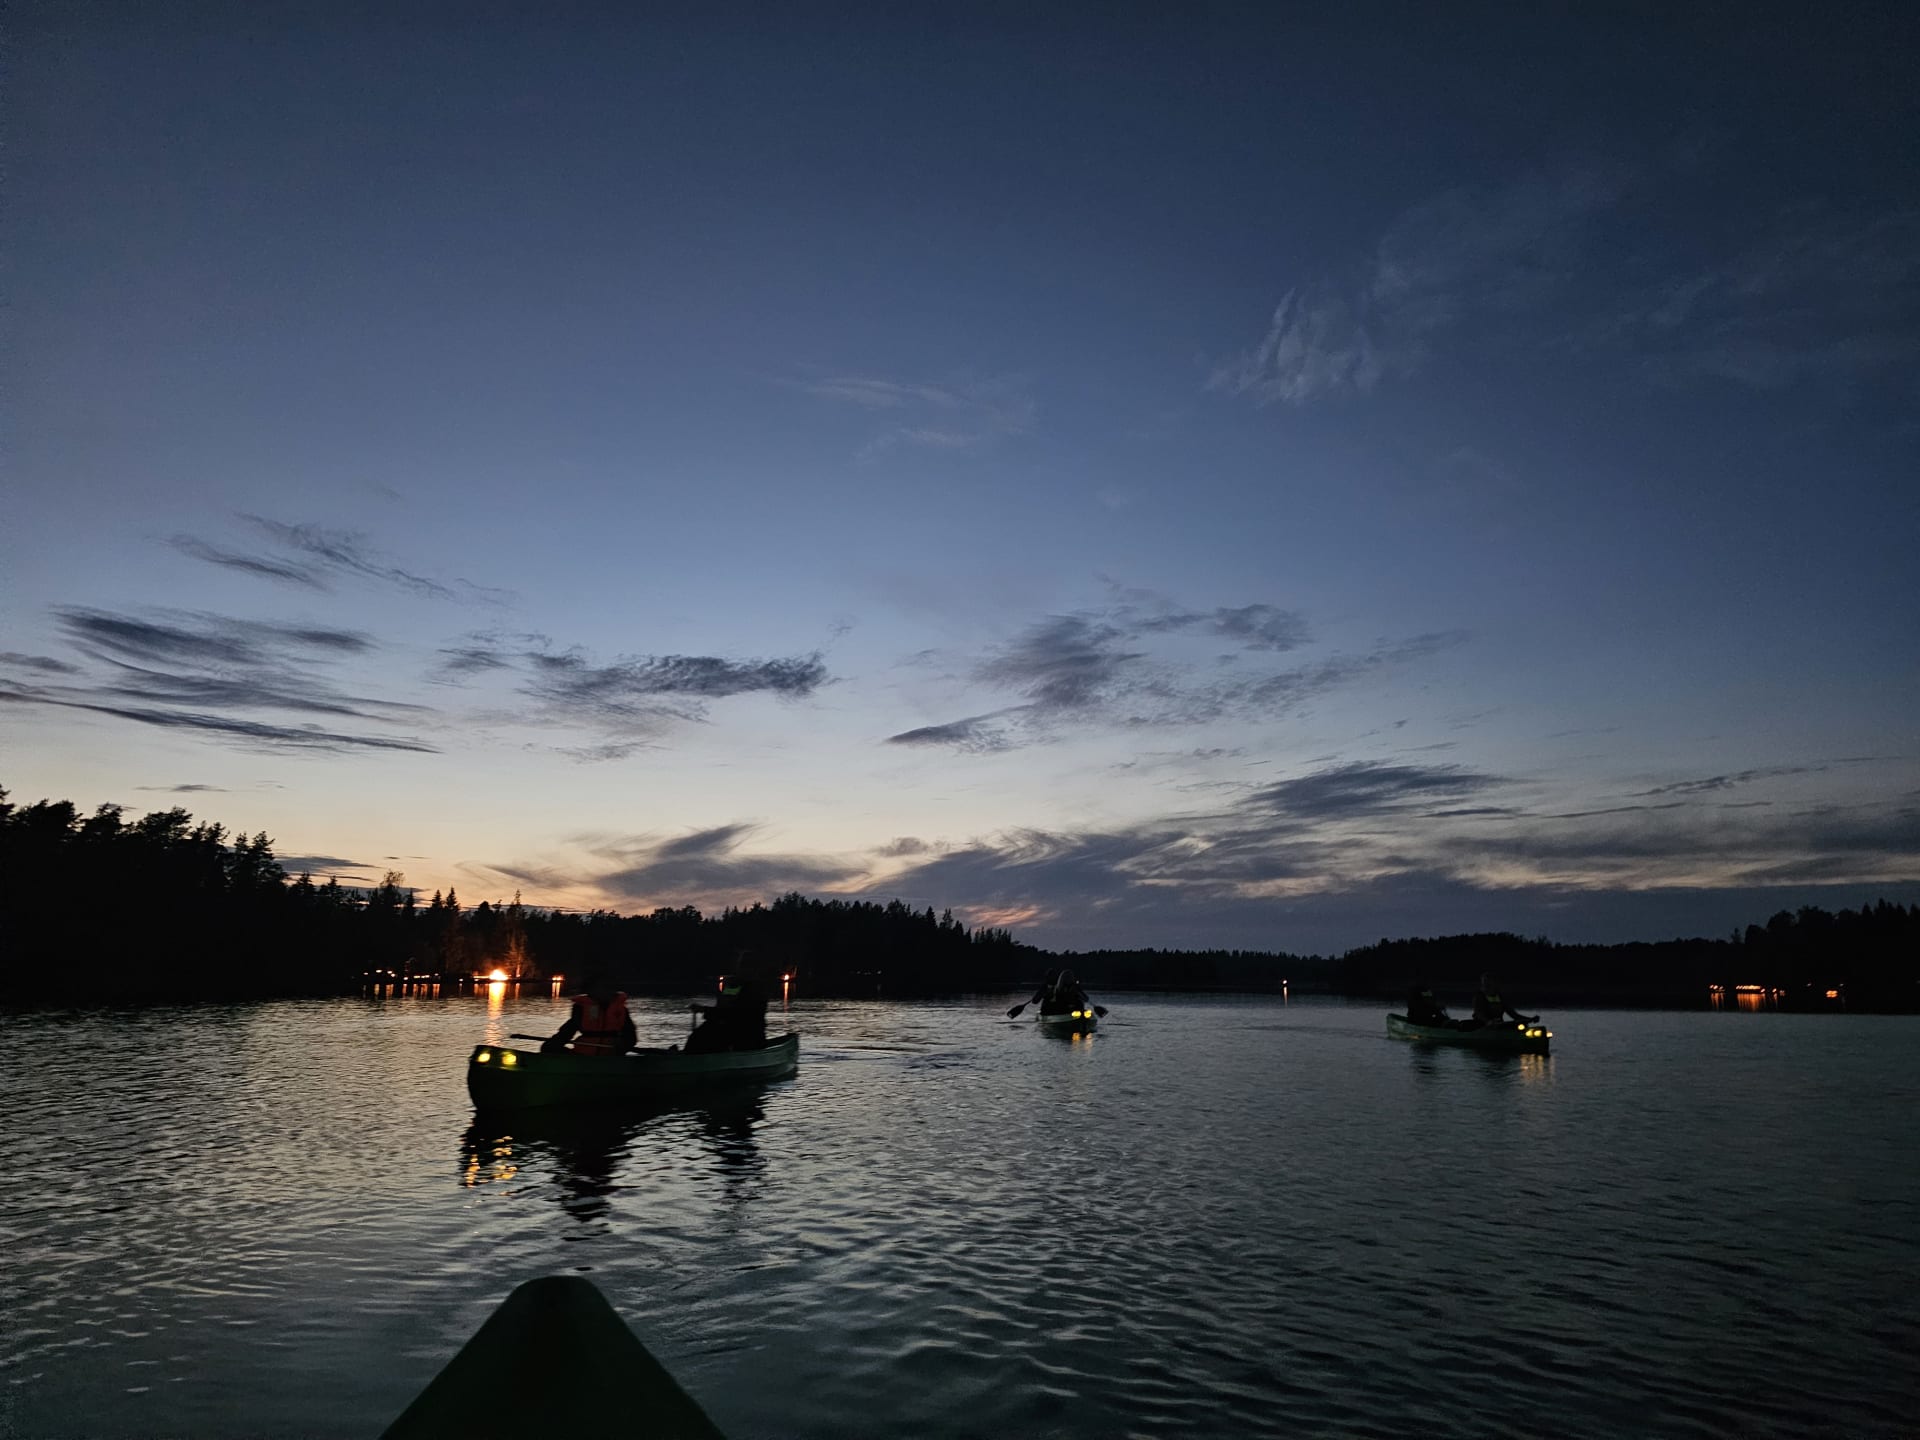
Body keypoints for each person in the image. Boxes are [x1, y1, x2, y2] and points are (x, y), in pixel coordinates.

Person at [685, 962, 770, 1054]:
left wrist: (705, 1010)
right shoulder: (734, 985)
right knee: (699, 1035)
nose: (739, 971)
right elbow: (723, 1006)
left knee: (706, 1036)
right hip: (729, 1026)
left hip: (746, 1034)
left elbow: (737, 1014)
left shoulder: (755, 990)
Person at [545, 972, 637, 1056]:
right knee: (549, 1048)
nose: (603, 992)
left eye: (607, 988)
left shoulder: (621, 1010)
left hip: (612, 1056)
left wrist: (623, 1046)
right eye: (599, 988)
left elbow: (631, 1036)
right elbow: (567, 1031)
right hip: (583, 1055)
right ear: (591, 991)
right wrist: (551, 1045)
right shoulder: (581, 1009)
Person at [1470, 973, 1538, 1029]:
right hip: (1481, 1026)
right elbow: (1479, 1013)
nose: (1486, 985)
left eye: (1489, 982)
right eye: (1485, 983)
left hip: (1498, 1025)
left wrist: (1530, 1019)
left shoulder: (1500, 997)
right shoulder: (1479, 996)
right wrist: (1488, 1021)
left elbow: (1514, 1015)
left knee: (1522, 1025)